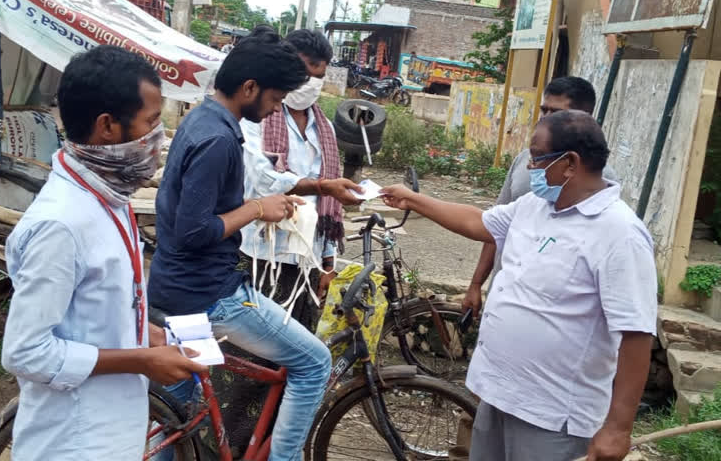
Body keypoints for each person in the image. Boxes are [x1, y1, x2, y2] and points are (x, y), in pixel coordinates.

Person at [381, 110, 657, 461]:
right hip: (497, 393)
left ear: (569, 163)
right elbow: (478, 221)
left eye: (537, 157)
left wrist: (618, 428)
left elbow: (636, 334)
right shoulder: (536, 205)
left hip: (552, 416)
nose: (530, 167)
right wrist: (413, 198)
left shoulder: (620, 234)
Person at [1, 46, 207, 460]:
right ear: (107, 127)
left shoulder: (108, 196)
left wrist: (145, 334)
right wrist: (143, 360)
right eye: (151, 123)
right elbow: (25, 352)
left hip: (113, 428)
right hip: (74, 441)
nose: (158, 138)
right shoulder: (61, 224)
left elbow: (92, 311)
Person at [148, 28, 332, 461]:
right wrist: (256, 209)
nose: (274, 109)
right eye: (273, 99)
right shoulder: (218, 140)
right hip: (212, 299)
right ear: (249, 87)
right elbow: (194, 231)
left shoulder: (202, 119)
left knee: (177, 410)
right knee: (314, 363)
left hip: (177, 291)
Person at [241, 28, 362, 331]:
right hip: (262, 251)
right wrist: (320, 185)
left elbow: (327, 202)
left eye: (318, 78)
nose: (310, 86)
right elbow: (263, 180)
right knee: (255, 345)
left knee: (297, 343)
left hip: (308, 258)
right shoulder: (257, 118)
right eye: (305, 75)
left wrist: (329, 260)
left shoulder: (324, 129)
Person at [464, 76, 617, 317]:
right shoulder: (525, 160)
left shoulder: (600, 181)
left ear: (581, 117)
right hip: (504, 299)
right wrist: (476, 284)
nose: (544, 119)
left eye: (554, 112)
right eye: (543, 110)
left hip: (551, 312)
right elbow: (493, 229)